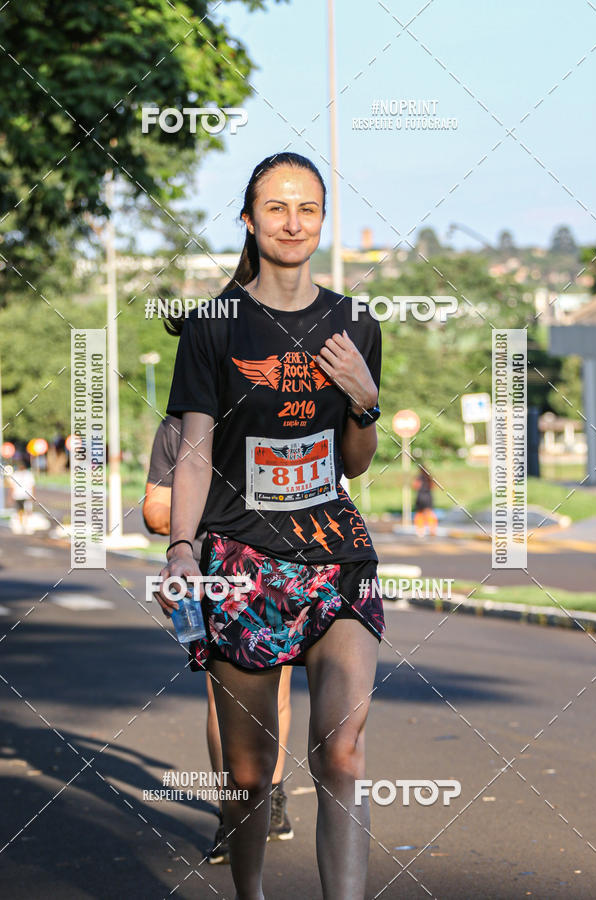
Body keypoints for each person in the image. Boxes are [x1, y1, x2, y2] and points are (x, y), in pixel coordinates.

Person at [155, 151, 385, 900]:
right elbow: (192, 455)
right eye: (277, 207)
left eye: (308, 207)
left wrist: (364, 397)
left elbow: (354, 463)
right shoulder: (215, 327)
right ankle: (250, 893)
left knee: (342, 752)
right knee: (250, 776)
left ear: (323, 219)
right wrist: (183, 550)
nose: (294, 221)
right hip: (242, 562)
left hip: (335, 556)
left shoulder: (355, 320)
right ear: (250, 220)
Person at [143, 415, 294, 863]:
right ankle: (234, 812)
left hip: (275, 566)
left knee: (278, 691)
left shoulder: (277, 409)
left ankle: (273, 797)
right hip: (211, 574)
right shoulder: (178, 426)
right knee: (222, 699)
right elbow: (154, 512)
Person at [8, 458, 35, 534]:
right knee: (20, 511)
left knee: (26, 511)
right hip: (19, 495)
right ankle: (22, 525)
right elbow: (12, 487)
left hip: (25, 495)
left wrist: (32, 495)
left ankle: (26, 526)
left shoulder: (28, 474)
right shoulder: (17, 474)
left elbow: (32, 485)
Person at [412, 464, 438, 537]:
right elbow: (433, 486)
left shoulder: (418, 477)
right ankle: (432, 529)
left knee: (419, 513)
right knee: (429, 513)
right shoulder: (429, 477)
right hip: (428, 497)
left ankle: (420, 531)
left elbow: (415, 486)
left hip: (420, 497)